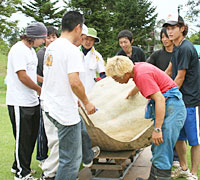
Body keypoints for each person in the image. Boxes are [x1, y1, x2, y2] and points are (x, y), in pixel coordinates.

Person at [105, 55, 186, 180]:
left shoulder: (141, 75)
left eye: (116, 78)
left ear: (125, 73)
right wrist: (132, 92)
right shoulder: (138, 68)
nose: (116, 81)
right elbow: (147, 82)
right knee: (157, 146)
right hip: (170, 105)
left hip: (172, 107)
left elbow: (159, 99)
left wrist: (158, 129)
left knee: (162, 147)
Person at [40, 11, 96, 180]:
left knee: (66, 152)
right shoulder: (72, 51)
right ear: (78, 27)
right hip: (64, 112)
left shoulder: (52, 47)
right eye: (82, 32)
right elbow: (74, 82)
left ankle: (88, 157)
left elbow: (56, 77)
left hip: (50, 106)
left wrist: (75, 99)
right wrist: (86, 102)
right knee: (70, 160)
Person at [6, 22, 47, 180]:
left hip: (32, 101)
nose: (43, 41)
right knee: (22, 138)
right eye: (42, 38)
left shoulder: (31, 51)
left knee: (30, 138)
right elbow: (22, 75)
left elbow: (31, 74)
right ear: (34, 37)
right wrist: (39, 89)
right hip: (19, 102)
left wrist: (45, 82)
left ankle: (19, 165)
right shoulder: (18, 50)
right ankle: (21, 175)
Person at [164, 13, 200, 180]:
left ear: (182, 29)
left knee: (194, 140)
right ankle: (184, 168)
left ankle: (193, 173)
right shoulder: (176, 48)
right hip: (179, 101)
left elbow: (179, 77)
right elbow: (169, 72)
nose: (169, 32)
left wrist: (164, 96)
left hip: (191, 101)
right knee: (179, 137)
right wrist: (158, 87)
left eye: (173, 28)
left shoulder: (186, 48)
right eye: (168, 28)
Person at [36, 26, 59, 168]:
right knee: (43, 129)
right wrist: (48, 82)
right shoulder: (41, 53)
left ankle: (53, 159)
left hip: (55, 96)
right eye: (48, 37)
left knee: (54, 131)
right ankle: (41, 157)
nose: (51, 40)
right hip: (43, 94)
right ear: (44, 39)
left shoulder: (57, 52)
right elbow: (35, 75)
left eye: (54, 37)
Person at [80, 27, 106, 94]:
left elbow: (102, 73)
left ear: (94, 41)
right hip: (76, 91)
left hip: (91, 91)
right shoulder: (74, 52)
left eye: (91, 40)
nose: (88, 42)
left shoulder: (97, 56)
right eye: (86, 39)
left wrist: (102, 80)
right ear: (82, 38)